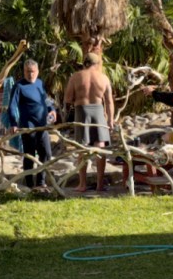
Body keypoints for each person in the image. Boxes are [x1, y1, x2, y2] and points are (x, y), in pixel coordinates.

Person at [64, 52, 114, 192]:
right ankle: (99, 184)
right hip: (98, 111)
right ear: (97, 64)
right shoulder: (103, 78)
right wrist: (110, 120)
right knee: (100, 148)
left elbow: (68, 98)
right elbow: (109, 101)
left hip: (81, 111)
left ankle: (82, 184)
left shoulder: (76, 77)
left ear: (84, 63)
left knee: (83, 148)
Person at [8, 59, 56, 189]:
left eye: (33, 72)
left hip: (42, 125)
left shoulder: (40, 83)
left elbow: (45, 98)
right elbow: (12, 106)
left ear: (37, 71)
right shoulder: (19, 86)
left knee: (46, 153)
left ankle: (41, 182)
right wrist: (13, 123)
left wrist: (52, 109)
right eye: (27, 72)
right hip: (28, 127)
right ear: (24, 71)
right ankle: (29, 184)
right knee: (29, 155)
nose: (30, 74)